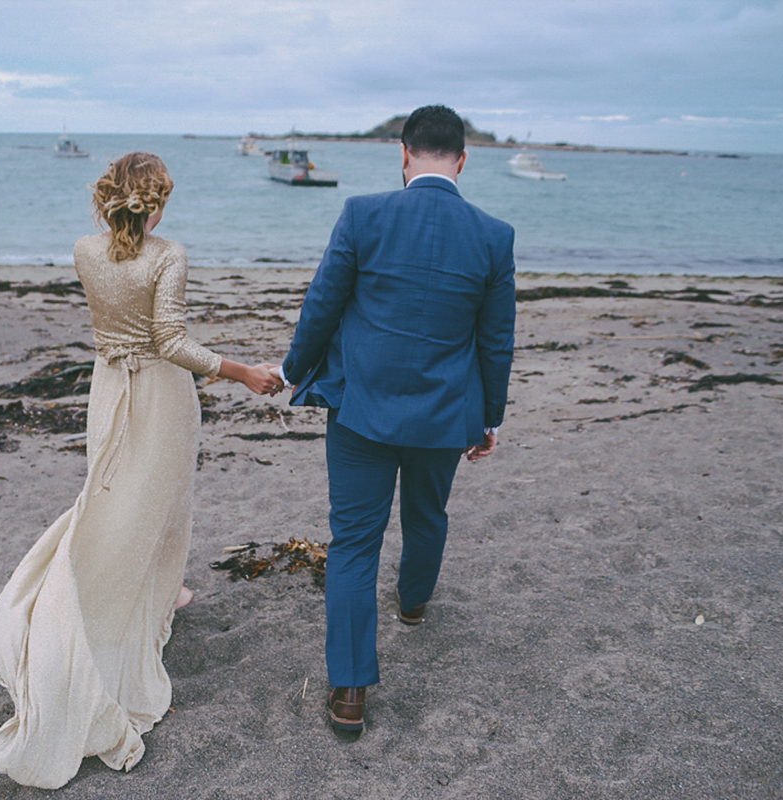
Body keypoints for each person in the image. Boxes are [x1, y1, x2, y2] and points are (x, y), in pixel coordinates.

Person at [0, 152, 281, 788]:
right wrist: (244, 371)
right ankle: (140, 597)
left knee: (115, 495)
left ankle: (162, 588)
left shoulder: (83, 250)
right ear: (159, 202)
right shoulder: (168, 253)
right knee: (162, 498)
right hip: (158, 393)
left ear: (107, 198)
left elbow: (117, 321)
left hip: (107, 390)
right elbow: (171, 342)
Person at [274, 105, 516, 732]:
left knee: (354, 544)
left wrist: (294, 368)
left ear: (404, 154)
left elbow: (323, 301)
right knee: (427, 514)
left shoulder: (364, 214)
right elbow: (496, 341)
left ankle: (350, 692)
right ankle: (412, 605)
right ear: (462, 159)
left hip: (362, 412)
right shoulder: (494, 235)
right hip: (443, 417)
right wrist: (491, 416)